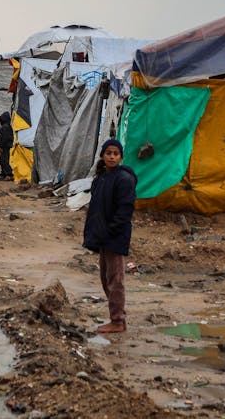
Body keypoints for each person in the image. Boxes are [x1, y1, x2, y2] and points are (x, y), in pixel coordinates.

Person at [82, 139, 137, 334]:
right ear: (103, 155)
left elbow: (125, 210)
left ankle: (118, 321)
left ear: (121, 157)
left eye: (115, 153)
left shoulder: (123, 179)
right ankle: (117, 316)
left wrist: (111, 230)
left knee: (115, 280)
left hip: (115, 236)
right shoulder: (101, 178)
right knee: (106, 279)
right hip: (104, 236)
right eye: (108, 153)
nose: (112, 156)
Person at [0, 111, 14, 180]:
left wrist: (1, 145)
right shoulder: (9, 126)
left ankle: (8, 174)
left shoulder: (5, 127)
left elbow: (4, 138)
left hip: (5, 146)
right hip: (8, 145)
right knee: (3, 160)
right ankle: (4, 173)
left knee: (4, 160)